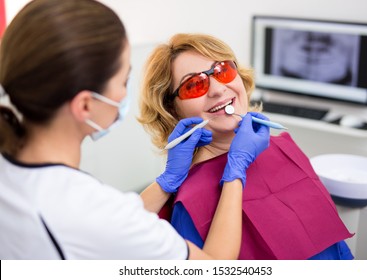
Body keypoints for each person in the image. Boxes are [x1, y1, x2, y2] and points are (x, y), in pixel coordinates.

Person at [0, 0, 270, 259]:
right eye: (124, 80)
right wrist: (236, 171)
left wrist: (166, 181)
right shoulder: (84, 207)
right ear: (85, 105)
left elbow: (109, 224)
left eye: (222, 71)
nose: (218, 89)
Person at [138, 33, 354, 260]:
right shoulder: (191, 200)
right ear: (172, 110)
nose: (218, 89)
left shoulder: (284, 147)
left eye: (222, 70)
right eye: (193, 85)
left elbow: (334, 244)